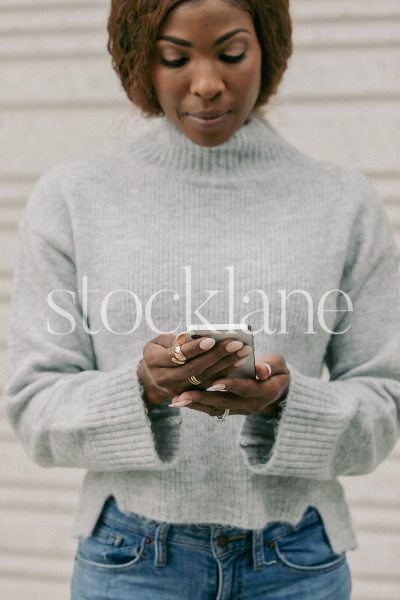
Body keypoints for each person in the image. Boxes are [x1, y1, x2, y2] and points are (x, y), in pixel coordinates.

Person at [4, 0, 400, 598]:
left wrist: (286, 404)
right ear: (142, 61)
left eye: (232, 53)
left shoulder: (344, 203)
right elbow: (34, 407)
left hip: (296, 563)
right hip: (132, 563)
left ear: (268, 47)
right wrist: (140, 389)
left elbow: (385, 403)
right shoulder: (72, 199)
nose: (208, 84)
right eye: (174, 57)